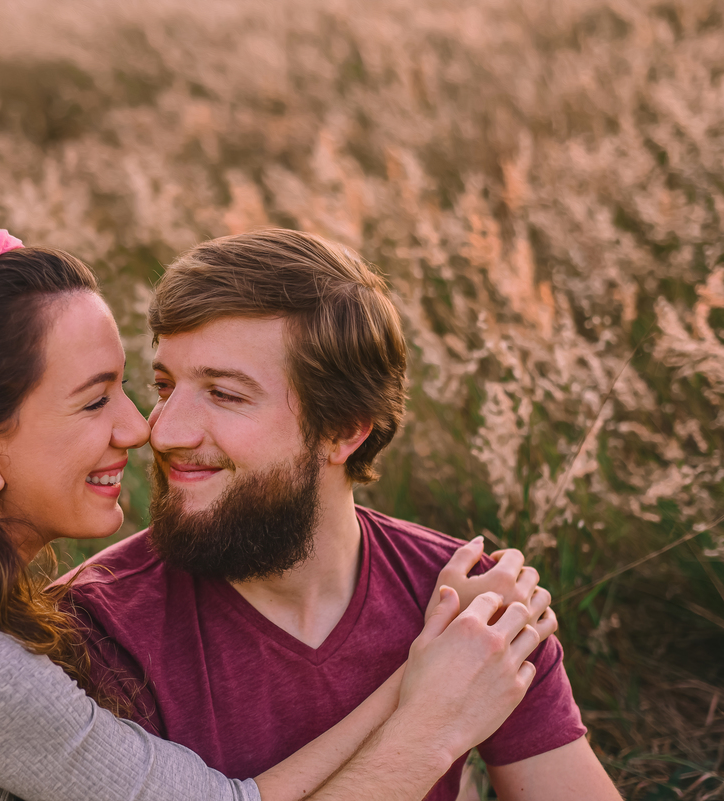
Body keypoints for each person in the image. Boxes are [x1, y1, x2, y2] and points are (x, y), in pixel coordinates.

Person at [0, 230, 554, 801]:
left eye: (130, 388)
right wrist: (431, 710)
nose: (143, 427)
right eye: (97, 398)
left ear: (345, 430)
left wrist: (429, 676)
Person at [62, 228, 623, 801]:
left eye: (224, 394)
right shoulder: (89, 631)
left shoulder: (472, 606)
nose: (163, 432)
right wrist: (429, 718)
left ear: (343, 430)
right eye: (164, 386)